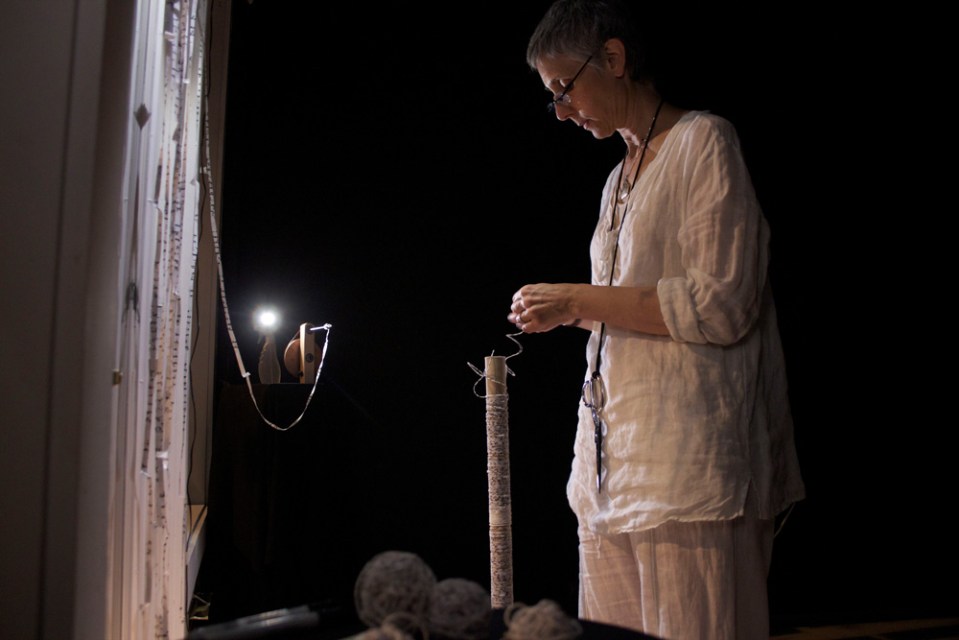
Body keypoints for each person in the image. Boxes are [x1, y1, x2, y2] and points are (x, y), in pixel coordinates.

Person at [507, 1, 806, 638]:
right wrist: (566, 313)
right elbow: (635, 311)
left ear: (613, 59)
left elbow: (721, 303)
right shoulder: (617, 179)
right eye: (552, 96)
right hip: (612, 471)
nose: (561, 110)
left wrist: (578, 300)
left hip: (688, 468)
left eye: (565, 88)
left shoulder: (703, 141)